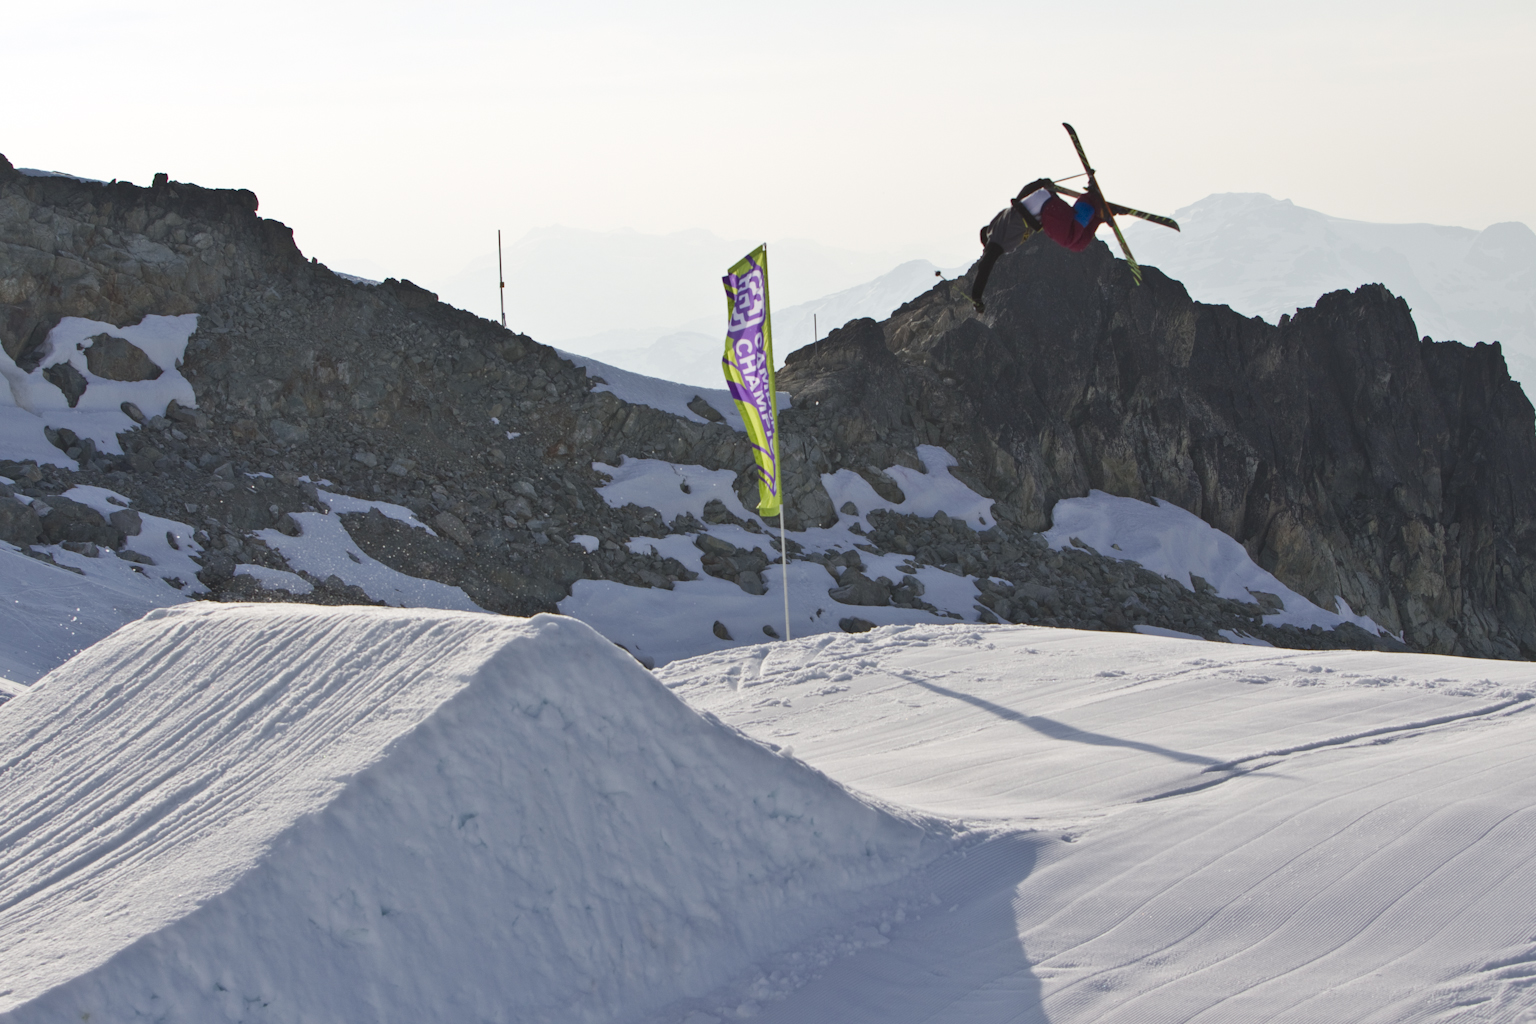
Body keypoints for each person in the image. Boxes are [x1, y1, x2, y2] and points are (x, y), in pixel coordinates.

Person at [971, 178, 1106, 311]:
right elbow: (1023, 194)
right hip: (1048, 205)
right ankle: (1098, 215)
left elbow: (985, 266)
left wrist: (976, 297)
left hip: (1047, 208)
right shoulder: (1006, 220)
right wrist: (1041, 182)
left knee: (1068, 239)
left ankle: (1090, 200)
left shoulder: (996, 238)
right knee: (1077, 245)